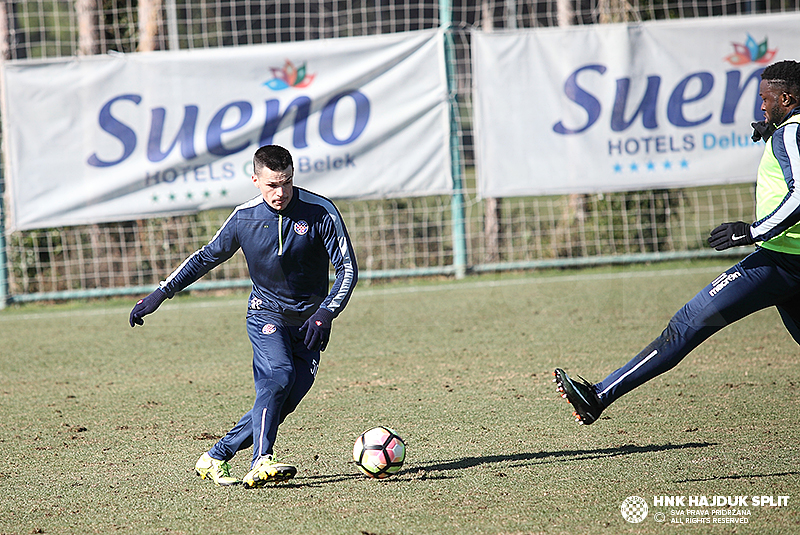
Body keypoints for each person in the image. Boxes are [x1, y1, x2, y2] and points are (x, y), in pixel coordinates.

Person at [553, 59, 800, 425]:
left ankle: (599, 395)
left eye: (766, 99)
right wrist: (773, 128)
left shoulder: (790, 134)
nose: (761, 105)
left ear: (787, 97)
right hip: (786, 263)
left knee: (687, 324)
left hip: (777, 264)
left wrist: (750, 232)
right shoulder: (787, 130)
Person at [129, 145, 358, 486]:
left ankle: (215, 456)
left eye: (286, 183)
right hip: (266, 313)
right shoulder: (244, 217)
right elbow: (206, 257)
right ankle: (261, 460)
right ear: (255, 180)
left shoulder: (320, 211)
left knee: (283, 402)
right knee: (278, 377)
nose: (280, 192)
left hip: (310, 323)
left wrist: (326, 312)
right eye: (271, 185)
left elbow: (348, 269)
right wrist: (162, 292)